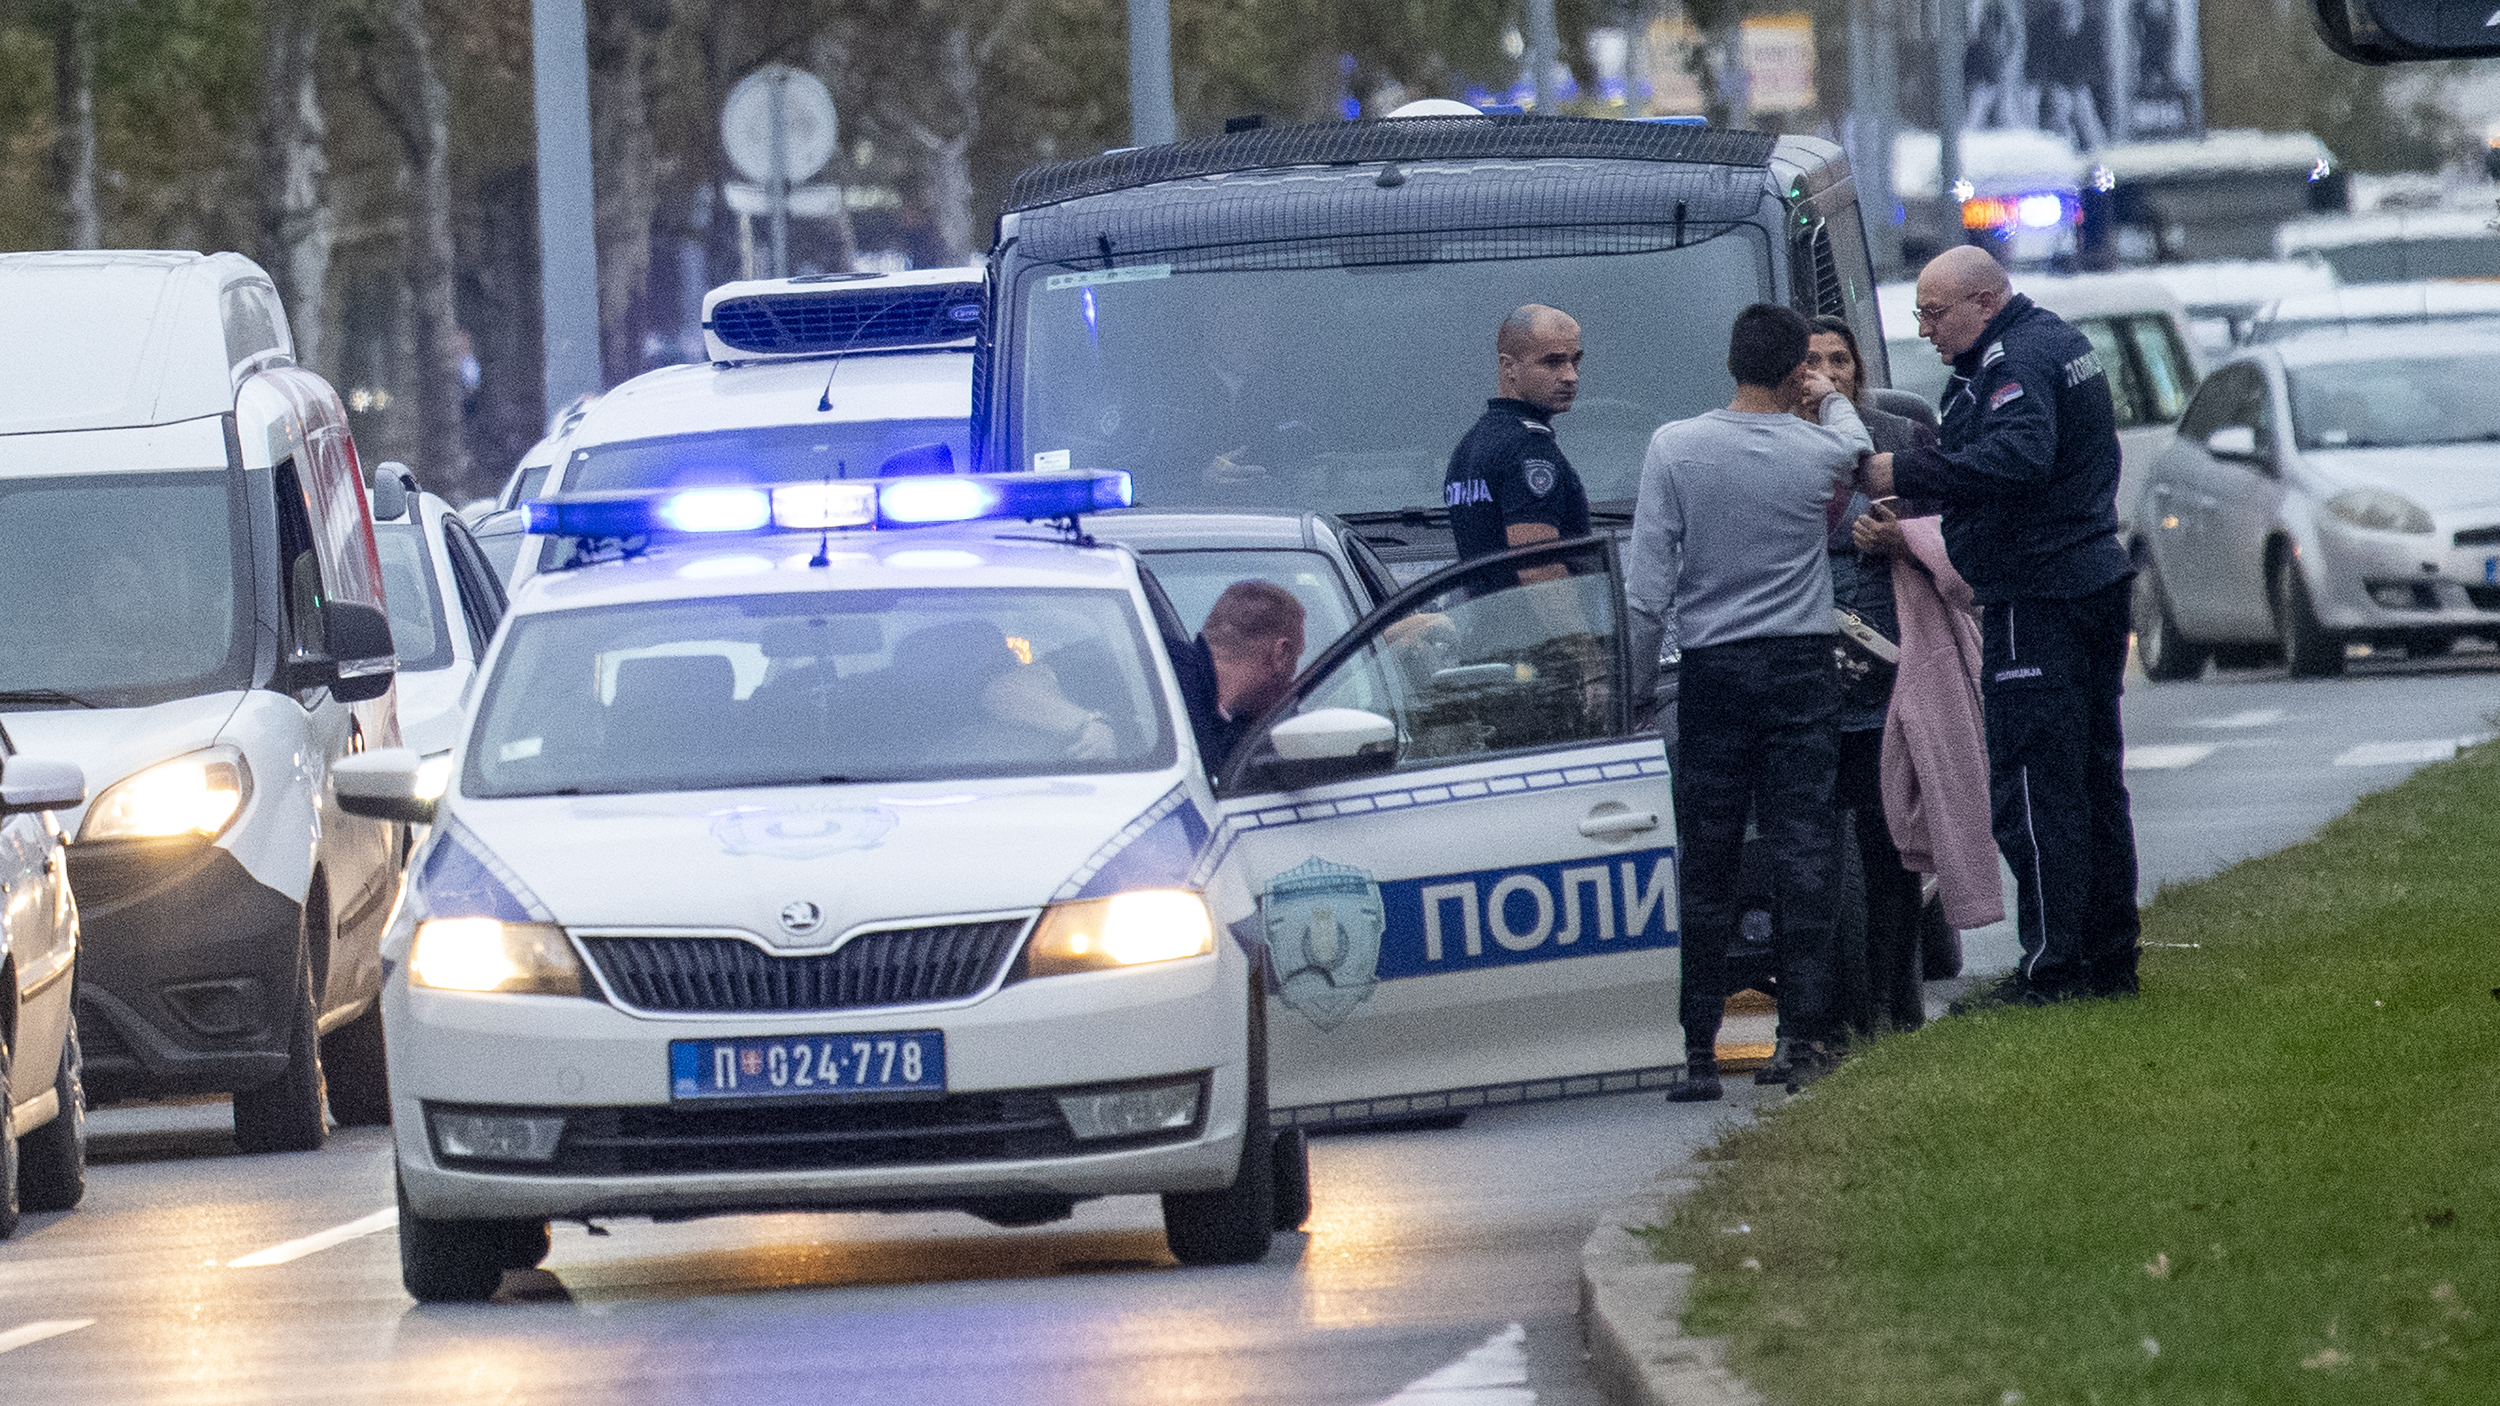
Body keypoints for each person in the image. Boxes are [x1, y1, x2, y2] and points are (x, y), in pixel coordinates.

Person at [1863, 245, 2141, 1005]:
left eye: (1933, 312)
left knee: (2034, 786)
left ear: (1983, 302)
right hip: (2087, 578)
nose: (1924, 330)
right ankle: (2109, 960)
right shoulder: (2058, 340)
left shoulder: (2012, 361)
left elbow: (2019, 457)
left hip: (2039, 595)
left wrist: (1906, 473)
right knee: (2092, 782)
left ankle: (2052, 969)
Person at [1628, 303, 1872, 1100]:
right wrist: (1827, 393)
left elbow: (1646, 590)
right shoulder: (1817, 452)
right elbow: (1862, 448)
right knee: (1805, 853)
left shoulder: (1675, 448)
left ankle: (1699, 1053)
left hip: (1713, 671)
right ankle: (1797, 1039)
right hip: (1801, 665)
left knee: (1708, 855)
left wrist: (1634, 690)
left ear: (1731, 361)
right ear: (1798, 366)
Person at [1799, 315, 1937, 1043]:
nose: (1826, 372)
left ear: (1858, 368)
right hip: (1812, 683)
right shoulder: (1780, 444)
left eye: (1839, 359)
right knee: (1820, 854)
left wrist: (1898, 535)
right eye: (1812, 360)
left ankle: (1897, 1004)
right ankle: (1834, 1013)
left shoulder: (1900, 437)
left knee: (1894, 851)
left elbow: (1950, 529)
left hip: (1891, 677)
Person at [1443, 304, 1590, 581]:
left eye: (1575, 361)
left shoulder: (1470, 445)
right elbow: (1538, 568)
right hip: (1533, 623)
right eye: (1553, 362)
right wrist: (1577, 626)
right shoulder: (1529, 448)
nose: (1571, 376)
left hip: (1488, 619)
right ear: (1509, 366)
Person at [1173, 580, 1307, 776]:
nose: (1291, 682)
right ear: (1282, 653)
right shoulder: (1188, 716)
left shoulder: (1160, 677)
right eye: (1296, 658)